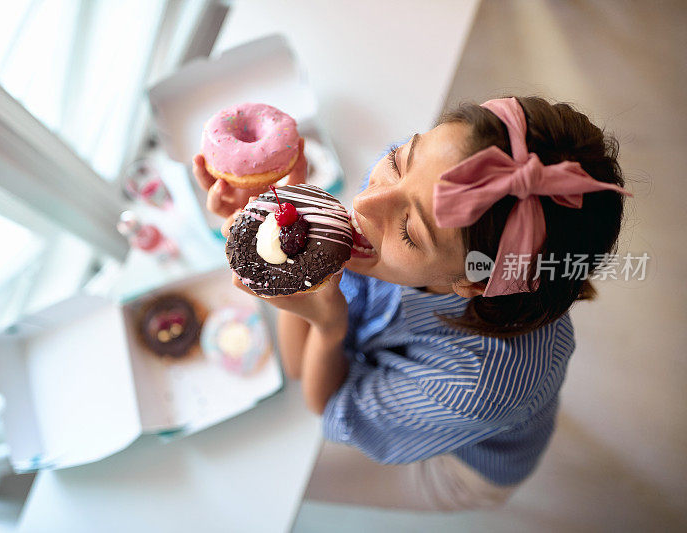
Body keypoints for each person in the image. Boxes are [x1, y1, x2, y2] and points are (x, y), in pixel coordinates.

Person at [192, 96, 629, 509]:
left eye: (409, 232)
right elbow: (299, 362)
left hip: (460, 470)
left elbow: (321, 395)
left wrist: (326, 324)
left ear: (473, 283)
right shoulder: (416, 190)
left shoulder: (477, 386)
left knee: (276, 487)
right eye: (401, 160)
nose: (364, 202)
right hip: (423, 385)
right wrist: (282, 213)